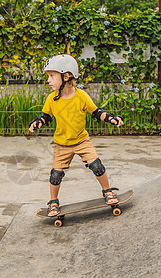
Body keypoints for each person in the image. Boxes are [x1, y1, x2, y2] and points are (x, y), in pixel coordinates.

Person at [29, 54, 124, 217]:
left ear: (66, 76)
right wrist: (38, 123)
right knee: (56, 175)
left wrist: (111, 119)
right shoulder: (52, 99)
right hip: (61, 144)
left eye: (52, 76)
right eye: (48, 77)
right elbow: (45, 116)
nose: (49, 80)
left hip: (81, 141)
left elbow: (97, 112)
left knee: (96, 165)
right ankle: (53, 201)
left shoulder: (81, 96)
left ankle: (107, 191)